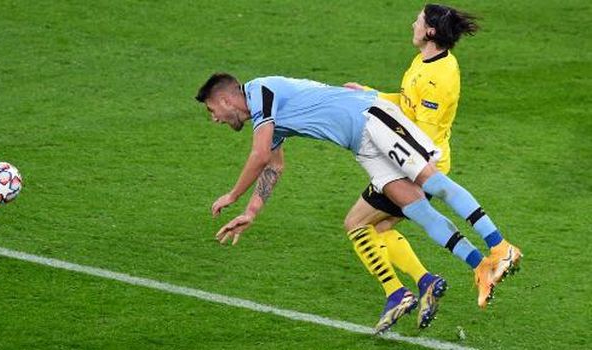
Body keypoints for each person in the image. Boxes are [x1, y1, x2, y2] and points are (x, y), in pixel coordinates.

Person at [195, 72, 520, 334]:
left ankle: (501, 247)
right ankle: (480, 265)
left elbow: (260, 154)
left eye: (212, 110)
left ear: (224, 99)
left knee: (433, 182)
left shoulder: (261, 91)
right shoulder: (268, 119)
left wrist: (233, 195)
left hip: (372, 119)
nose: (215, 119)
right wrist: (251, 211)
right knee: (415, 208)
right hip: (361, 145)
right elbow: (274, 165)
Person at [341, 3, 520, 331]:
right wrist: (370, 95)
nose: (413, 24)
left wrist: (402, 162)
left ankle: (406, 289)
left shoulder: (440, 77)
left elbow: (423, 131)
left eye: (419, 21)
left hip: (414, 163)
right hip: (409, 159)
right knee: (383, 229)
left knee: (356, 224)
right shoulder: (425, 60)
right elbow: (406, 101)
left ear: (431, 32)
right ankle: (469, 269)